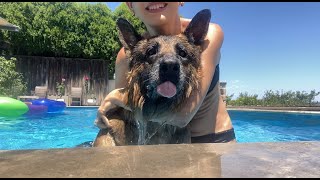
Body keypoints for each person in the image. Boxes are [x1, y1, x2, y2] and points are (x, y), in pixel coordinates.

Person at [95, 2, 236, 143]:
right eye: (151, 52)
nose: (169, 63)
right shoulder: (128, 53)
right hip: (162, 141)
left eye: (182, 53)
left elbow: (182, 116)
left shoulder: (209, 35)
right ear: (130, 6)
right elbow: (124, 114)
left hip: (214, 142)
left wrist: (115, 97)